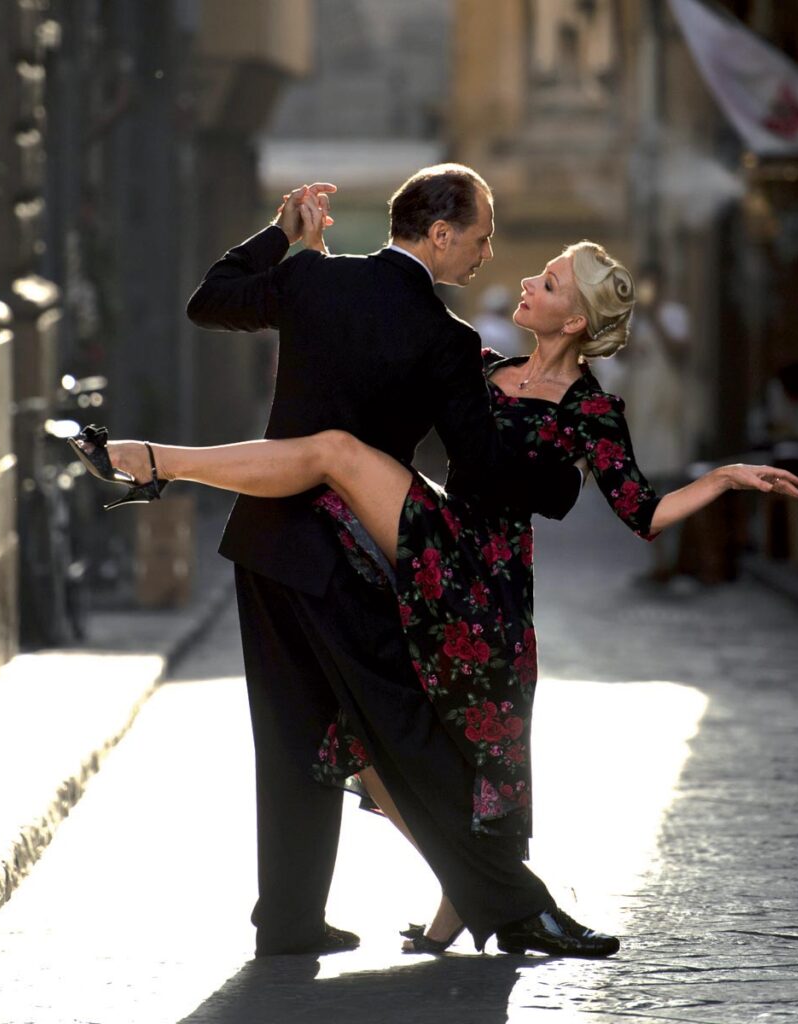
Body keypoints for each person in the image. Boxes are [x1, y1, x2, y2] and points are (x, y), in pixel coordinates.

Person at [75, 201, 798, 955]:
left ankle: (153, 461)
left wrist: (721, 479)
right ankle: (152, 460)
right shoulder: (480, 364)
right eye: (528, 266)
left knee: (476, 751)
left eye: (549, 282)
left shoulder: (593, 407)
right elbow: (369, 354)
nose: (523, 278)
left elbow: (643, 512)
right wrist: (318, 268)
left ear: (574, 320)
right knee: (338, 480)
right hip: (437, 542)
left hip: (486, 581)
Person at [174, 163, 601, 959]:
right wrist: (562, 478)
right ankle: (515, 906)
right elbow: (481, 466)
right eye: (479, 238)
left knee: (292, 730)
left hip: (266, 536)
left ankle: (290, 921)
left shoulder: (313, 280)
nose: (484, 254)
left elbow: (211, 300)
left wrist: (280, 236)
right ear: (439, 234)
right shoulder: (446, 337)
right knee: (404, 728)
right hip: (349, 556)